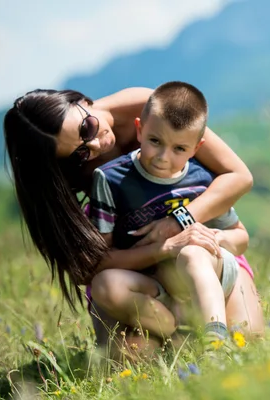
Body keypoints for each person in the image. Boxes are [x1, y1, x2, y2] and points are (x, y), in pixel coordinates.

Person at [3, 86, 264, 358]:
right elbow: (88, 267)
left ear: (83, 101)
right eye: (79, 153)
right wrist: (163, 247)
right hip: (131, 274)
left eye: (87, 128)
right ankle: (176, 332)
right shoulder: (72, 172)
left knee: (247, 339)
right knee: (135, 359)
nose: (95, 146)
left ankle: (196, 325)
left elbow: (239, 176)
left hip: (198, 250)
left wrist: (179, 221)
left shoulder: (148, 106)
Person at [88, 81, 249, 346]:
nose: (163, 157)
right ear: (139, 130)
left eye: (179, 149)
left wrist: (208, 238)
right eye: (155, 141)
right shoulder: (110, 180)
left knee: (193, 252)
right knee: (105, 284)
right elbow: (101, 260)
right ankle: (175, 335)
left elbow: (241, 238)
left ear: (197, 149)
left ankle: (214, 340)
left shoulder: (202, 178)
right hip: (152, 287)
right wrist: (167, 247)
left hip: (203, 274)